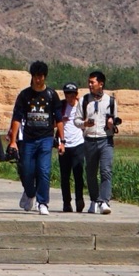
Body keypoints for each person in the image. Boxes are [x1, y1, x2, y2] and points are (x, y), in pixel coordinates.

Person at [8, 61, 60, 212]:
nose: (38, 79)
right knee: (27, 171)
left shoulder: (51, 95)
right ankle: (30, 193)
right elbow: (17, 118)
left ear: (45, 77)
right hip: (28, 139)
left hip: (46, 138)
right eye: (35, 76)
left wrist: (61, 140)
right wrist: (13, 141)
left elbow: (59, 119)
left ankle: (43, 202)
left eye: (41, 76)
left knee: (44, 170)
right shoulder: (24, 95)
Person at [82, 71, 118, 214]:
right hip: (89, 140)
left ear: (101, 84)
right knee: (90, 173)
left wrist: (112, 124)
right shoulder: (84, 100)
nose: (90, 85)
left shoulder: (111, 101)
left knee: (106, 171)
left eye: (93, 82)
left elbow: (116, 120)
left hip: (106, 139)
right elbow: (77, 120)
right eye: (89, 82)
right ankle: (94, 200)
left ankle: (104, 201)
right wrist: (85, 123)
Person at [56, 80, 87, 213]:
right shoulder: (61, 106)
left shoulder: (82, 106)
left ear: (76, 95)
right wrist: (60, 121)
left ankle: (79, 200)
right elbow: (53, 123)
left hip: (79, 144)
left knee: (78, 174)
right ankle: (66, 202)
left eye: (72, 95)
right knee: (64, 176)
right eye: (67, 95)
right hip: (64, 144)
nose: (69, 98)